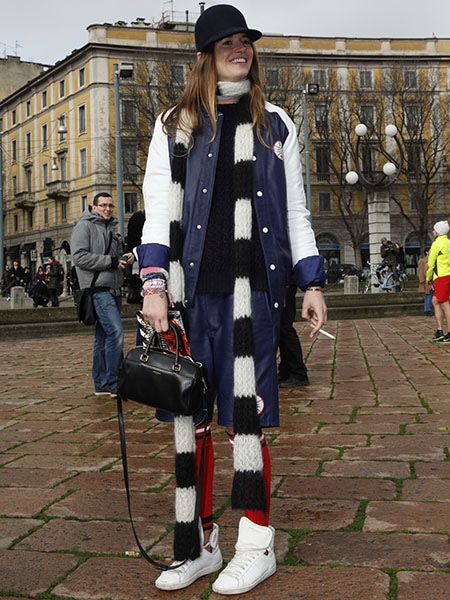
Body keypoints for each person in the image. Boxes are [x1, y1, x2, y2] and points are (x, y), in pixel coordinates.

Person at [136, 5, 327, 595]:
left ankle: (256, 543)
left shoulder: (276, 123)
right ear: (205, 56)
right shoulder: (174, 124)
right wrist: (154, 285)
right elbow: (158, 207)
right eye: (227, 43)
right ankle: (197, 543)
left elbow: (294, 209)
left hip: (254, 295)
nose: (239, 49)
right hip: (190, 296)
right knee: (189, 421)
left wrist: (312, 281)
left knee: (248, 421)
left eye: (245, 41)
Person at [71, 192, 134, 396]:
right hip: (97, 289)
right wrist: (111, 262)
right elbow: (79, 257)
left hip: (113, 289)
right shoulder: (84, 226)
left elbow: (114, 259)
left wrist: (125, 258)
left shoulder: (111, 229)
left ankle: (101, 383)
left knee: (103, 337)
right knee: (116, 332)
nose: (107, 209)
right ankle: (115, 382)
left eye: (110, 205)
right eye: (103, 205)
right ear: (94, 207)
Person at [278, 283, 309, 387]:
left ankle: (297, 372)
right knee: (283, 329)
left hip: (283, 286)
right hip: (284, 286)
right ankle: (287, 370)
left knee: (284, 328)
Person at [426, 220, 450, 343]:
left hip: (441, 276)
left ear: (439, 232)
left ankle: (449, 333)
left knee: (445, 304)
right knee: (435, 301)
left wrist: (428, 278)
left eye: (435, 229)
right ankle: (440, 330)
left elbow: (431, 263)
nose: (433, 231)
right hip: (447, 274)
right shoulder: (448, 242)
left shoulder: (436, 244)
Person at [417, 249, 433, 316]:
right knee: (429, 294)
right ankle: (427, 309)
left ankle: (429, 309)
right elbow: (421, 271)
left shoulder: (433, 259)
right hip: (427, 280)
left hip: (433, 279)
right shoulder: (422, 261)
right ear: (427, 252)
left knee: (431, 295)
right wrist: (422, 281)